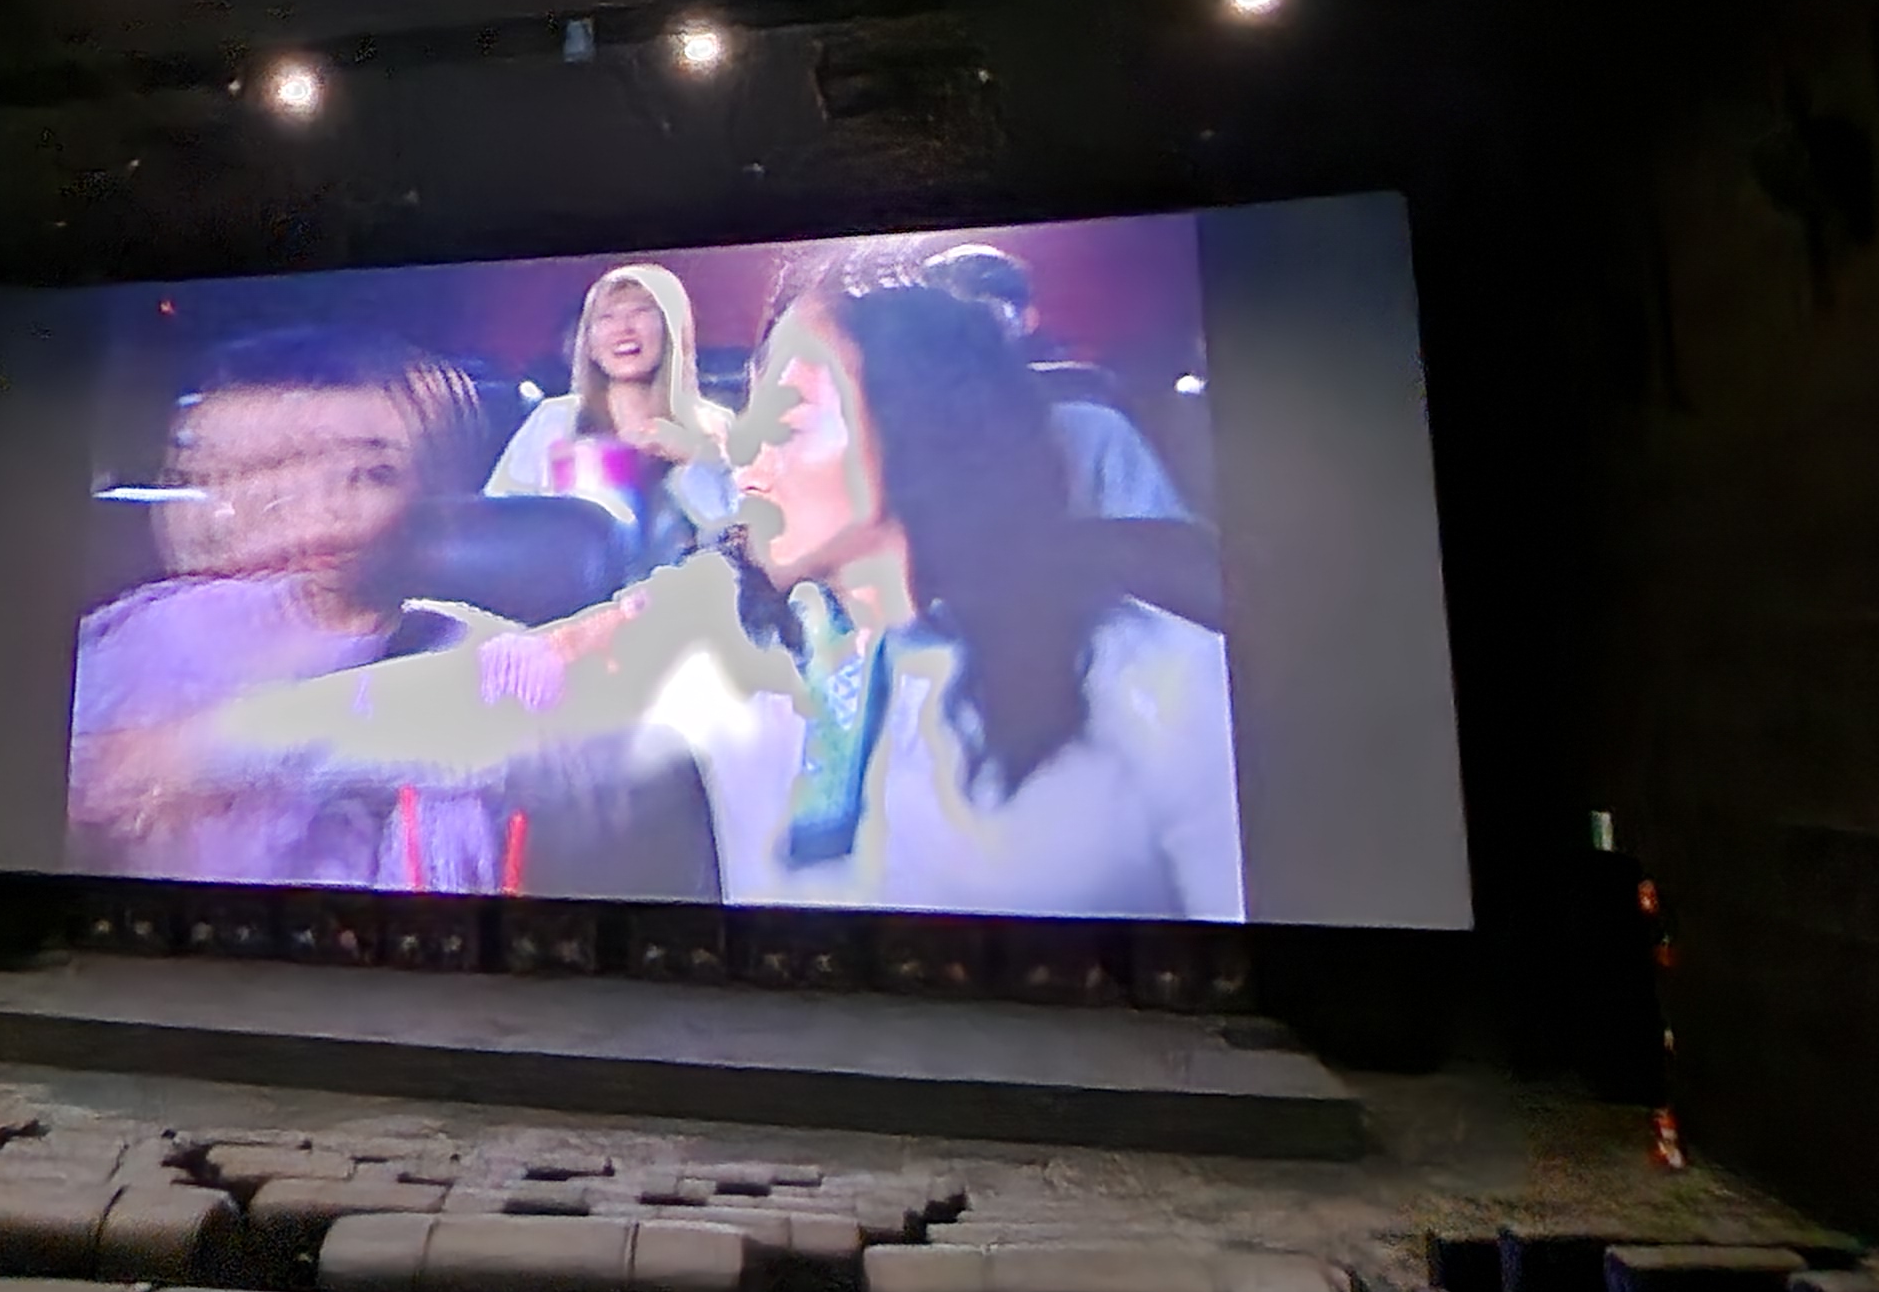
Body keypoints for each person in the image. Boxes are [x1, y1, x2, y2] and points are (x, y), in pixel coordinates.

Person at [115, 270, 1242, 920]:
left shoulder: (1164, 679)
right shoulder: (724, 625)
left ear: (926, 434)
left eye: (794, 411)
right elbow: (485, 700)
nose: (747, 448)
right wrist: (206, 741)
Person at [65, 324, 503, 889]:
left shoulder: (472, 660)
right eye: (224, 472)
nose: (314, 505)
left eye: (369, 474)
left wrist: (204, 752)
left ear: (442, 499)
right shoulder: (136, 638)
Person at [481, 261, 734, 571]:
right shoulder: (554, 419)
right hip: (567, 591)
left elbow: (736, 544)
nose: (623, 329)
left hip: (673, 596)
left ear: (671, 331)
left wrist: (695, 457)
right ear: (589, 342)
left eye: (640, 312)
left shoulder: (713, 424)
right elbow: (498, 524)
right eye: (606, 317)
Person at [919, 241, 1190, 521]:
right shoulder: (903, 437)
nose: (970, 336)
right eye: (945, 322)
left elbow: (1159, 539)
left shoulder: (1095, 431)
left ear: (1028, 319)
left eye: (986, 317)